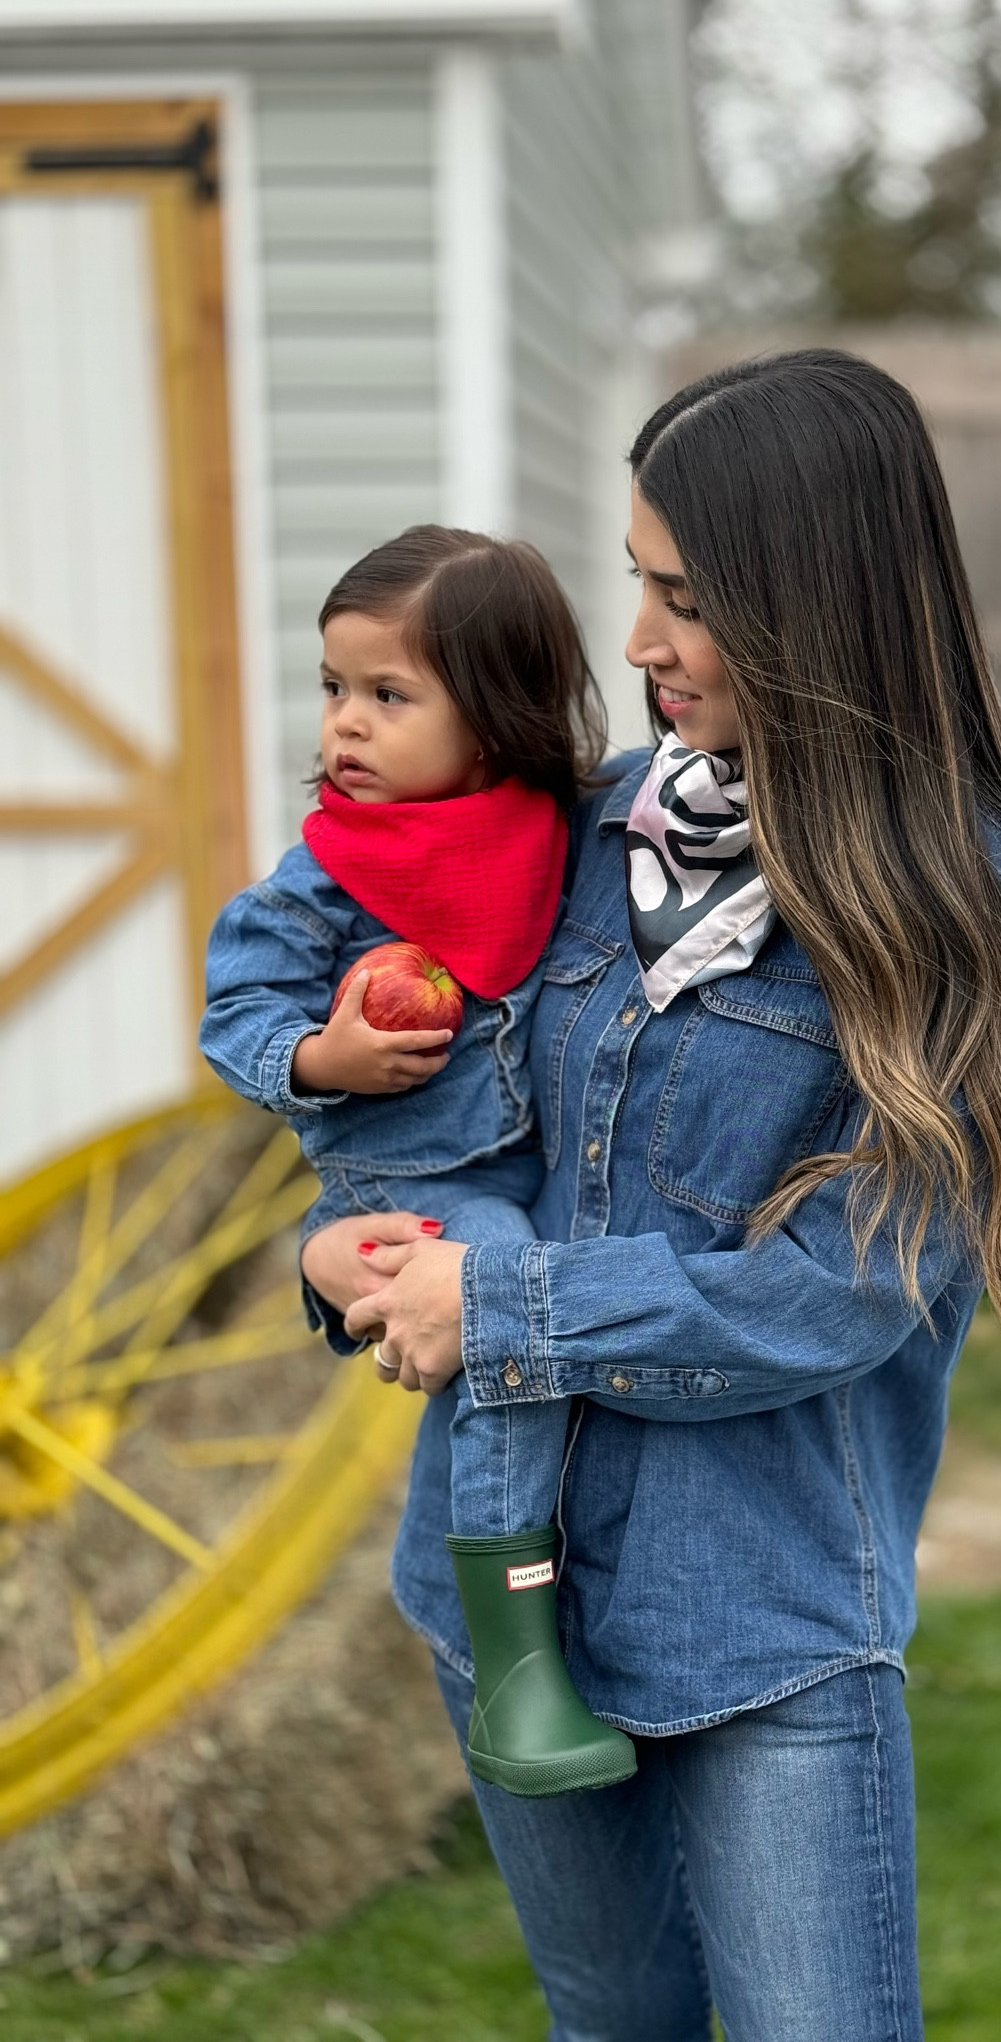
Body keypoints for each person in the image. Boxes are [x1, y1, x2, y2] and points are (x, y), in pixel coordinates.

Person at [303, 350, 1001, 2042]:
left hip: (764, 1620)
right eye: (638, 586)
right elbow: (457, 1132)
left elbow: (844, 1286)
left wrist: (505, 1304)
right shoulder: (571, 836)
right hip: (504, 1582)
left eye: (685, 597)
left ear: (812, 607)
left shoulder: (964, 896)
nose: (643, 644)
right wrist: (345, 1252)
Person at [200, 526, 636, 1797]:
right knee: (499, 1290)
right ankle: (513, 1659)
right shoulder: (328, 871)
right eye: (335, 688)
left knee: (531, 1281)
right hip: (414, 1182)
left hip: (527, 1165)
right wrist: (323, 1057)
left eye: (390, 695)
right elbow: (236, 1013)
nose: (346, 724)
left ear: (496, 719)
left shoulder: (549, 832)